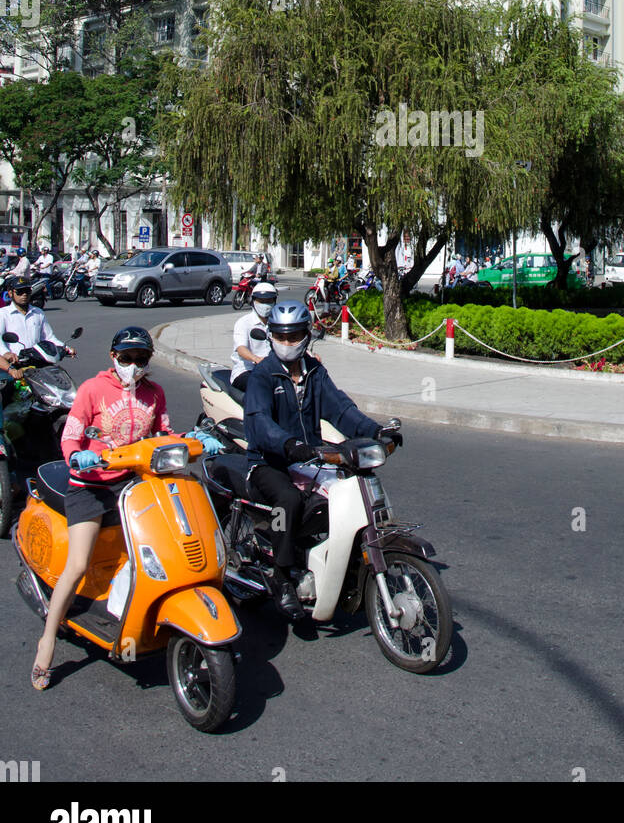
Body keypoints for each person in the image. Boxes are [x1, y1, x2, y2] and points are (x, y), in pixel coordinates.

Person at [29, 326, 220, 690]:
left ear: (149, 362)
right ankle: (48, 639)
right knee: (79, 563)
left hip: (135, 485)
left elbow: (163, 435)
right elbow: (70, 434)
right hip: (92, 486)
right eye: (127, 358)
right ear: (113, 357)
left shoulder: (155, 394)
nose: (133, 365)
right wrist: (78, 456)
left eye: (141, 359)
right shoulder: (92, 390)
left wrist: (193, 439)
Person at [243, 301, 399, 622]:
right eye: (281, 336)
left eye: (294, 335)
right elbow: (259, 422)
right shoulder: (262, 375)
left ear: (306, 335)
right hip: (268, 461)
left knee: (346, 487)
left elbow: (341, 409)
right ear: (271, 336)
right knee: (287, 500)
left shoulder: (315, 372)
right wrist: (288, 444)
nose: (287, 343)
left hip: (309, 457)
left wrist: (376, 430)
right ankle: (282, 575)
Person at [0, 277, 77, 409]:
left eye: (27, 291)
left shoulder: (38, 313)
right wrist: (7, 353)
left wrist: (65, 348)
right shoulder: (3, 314)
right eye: (19, 292)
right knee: (8, 402)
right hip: (13, 369)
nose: (24, 295)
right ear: (10, 293)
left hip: (37, 367)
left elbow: (49, 338)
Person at [230, 280, 278, 391]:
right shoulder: (244, 322)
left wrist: (309, 354)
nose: (265, 305)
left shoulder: (276, 322)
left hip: (272, 370)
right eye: (261, 301)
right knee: (261, 388)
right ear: (253, 301)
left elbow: (289, 342)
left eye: (269, 301)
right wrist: (256, 359)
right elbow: (241, 349)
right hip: (247, 370)